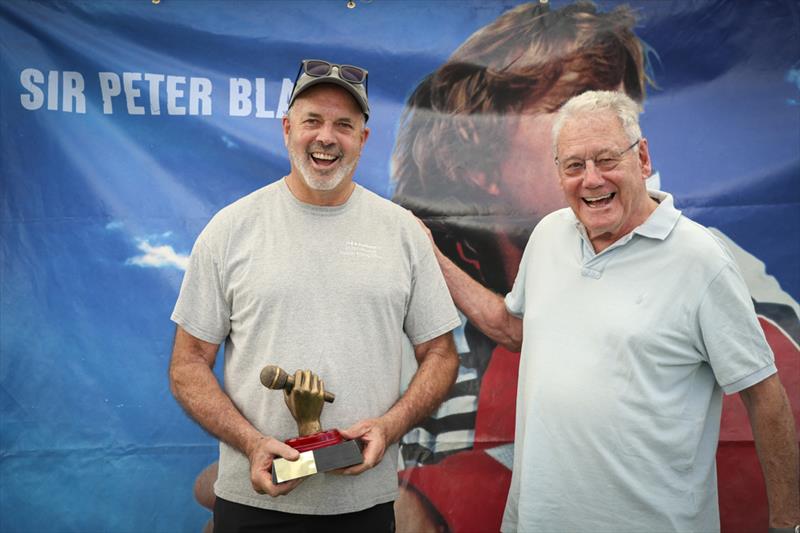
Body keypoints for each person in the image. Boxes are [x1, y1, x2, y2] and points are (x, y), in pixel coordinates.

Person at [391, 2, 800, 531]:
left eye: (608, 157)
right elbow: (513, 328)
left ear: (643, 158)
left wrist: (788, 523)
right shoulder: (550, 237)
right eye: (573, 162)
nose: (593, 178)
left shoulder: (703, 258)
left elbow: (767, 390)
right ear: (480, 162)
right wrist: (427, 254)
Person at [169, 58, 460, 532]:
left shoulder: (403, 233)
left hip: (364, 507)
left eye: (344, 125)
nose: (327, 137)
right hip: (253, 506)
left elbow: (441, 353)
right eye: (313, 121)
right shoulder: (230, 230)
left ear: (362, 141)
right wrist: (250, 442)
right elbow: (187, 364)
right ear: (287, 129)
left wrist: (389, 427)